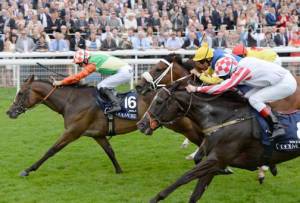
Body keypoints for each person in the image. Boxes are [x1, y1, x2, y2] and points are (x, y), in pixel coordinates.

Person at [186, 45, 297, 140]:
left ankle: (276, 126)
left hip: (285, 83)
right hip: (275, 80)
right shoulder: (229, 61)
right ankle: (259, 124)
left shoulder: (241, 71)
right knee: (248, 96)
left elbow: (221, 87)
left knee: (255, 99)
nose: (225, 78)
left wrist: (196, 89)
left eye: (225, 76)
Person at [52, 49, 133, 113]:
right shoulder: (93, 56)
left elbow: (78, 77)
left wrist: (61, 82)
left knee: (101, 86)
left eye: (80, 64)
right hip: (125, 70)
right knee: (104, 85)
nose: (80, 66)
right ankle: (114, 101)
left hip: (124, 72)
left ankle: (116, 105)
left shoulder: (92, 64)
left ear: (85, 60)